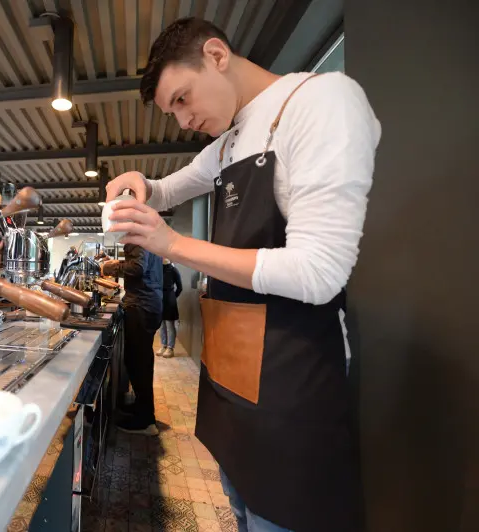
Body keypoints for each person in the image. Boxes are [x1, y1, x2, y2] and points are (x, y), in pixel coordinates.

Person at [104, 17, 381, 532]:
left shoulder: (321, 103)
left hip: (291, 378)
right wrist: (139, 181)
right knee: (240, 512)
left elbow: (320, 271)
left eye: (183, 99)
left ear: (216, 54)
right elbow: (167, 190)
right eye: (172, 111)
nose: (182, 119)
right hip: (232, 374)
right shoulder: (231, 141)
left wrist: (175, 245)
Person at [100, 243, 162, 435]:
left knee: (137, 362)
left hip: (141, 305)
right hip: (149, 304)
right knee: (141, 360)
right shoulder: (149, 237)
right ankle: (142, 407)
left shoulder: (138, 237)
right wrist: (118, 262)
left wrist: (109, 267)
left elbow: (137, 268)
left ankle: (145, 421)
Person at [158, 258, 183, 358]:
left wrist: (173, 297)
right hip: (160, 299)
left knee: (169, 324)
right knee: (161, 324)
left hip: (169, 299)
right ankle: (163, 345)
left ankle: (170, 347)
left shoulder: (173, 270)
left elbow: (180, 288)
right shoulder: (158, 269)